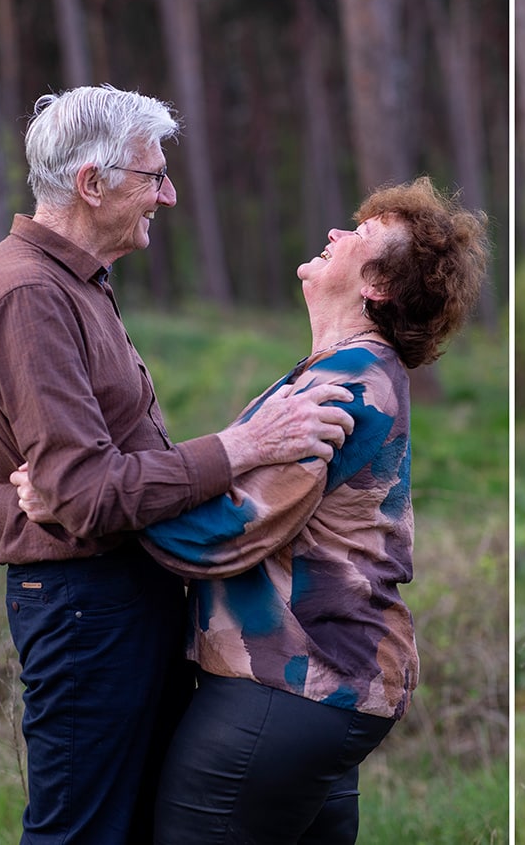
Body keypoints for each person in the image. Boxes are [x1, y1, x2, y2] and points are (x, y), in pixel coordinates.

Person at [0, 84, 353, 844]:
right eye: (154, 177)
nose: (167, 196)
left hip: (120, 596)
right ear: (91, 183)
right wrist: (244, 446)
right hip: (85, 606)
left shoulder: (73, 282)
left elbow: (91, 478)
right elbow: (85, 495)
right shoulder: (26, 294)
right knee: (81, 833)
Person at [111, 177, 486, 843]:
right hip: (320, 683)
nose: (336, 233)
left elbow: (226, 531)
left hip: (289, 684)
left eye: (359, 235)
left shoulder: (343, 388)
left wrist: (95, 499)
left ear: (377, 285)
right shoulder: (341, 370)